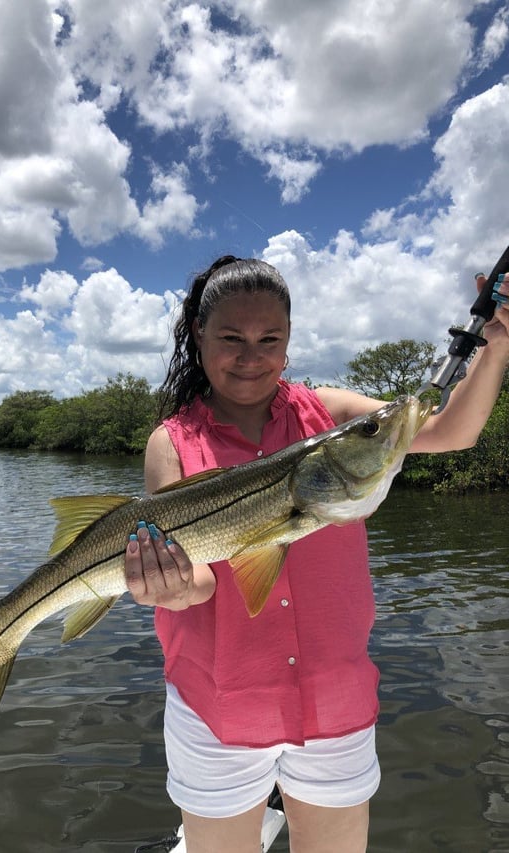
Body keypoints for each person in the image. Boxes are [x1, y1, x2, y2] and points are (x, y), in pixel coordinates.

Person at [124, 256, 509, 853]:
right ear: (198, 336)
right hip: (217, 703)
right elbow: (198, 582)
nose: (251, 356)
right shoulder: (171, 442)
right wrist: (171, 587)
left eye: (268, 339)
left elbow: (452, 432)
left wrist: (498, 345)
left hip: (335, 696)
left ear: (288, 342)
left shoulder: (324, 413)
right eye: (231, 338)